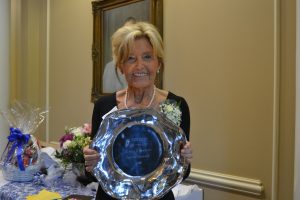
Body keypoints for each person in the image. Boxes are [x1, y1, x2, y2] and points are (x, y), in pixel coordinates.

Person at [83, 21, 193, 200]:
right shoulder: (104, 105)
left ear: (159, 63)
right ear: (120, 66)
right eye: (131, 58)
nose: (140, 66)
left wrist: (185, 158)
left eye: (147, 57)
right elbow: (93, 172)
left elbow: (182, 172)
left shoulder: (176, 105)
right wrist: (90, 162)